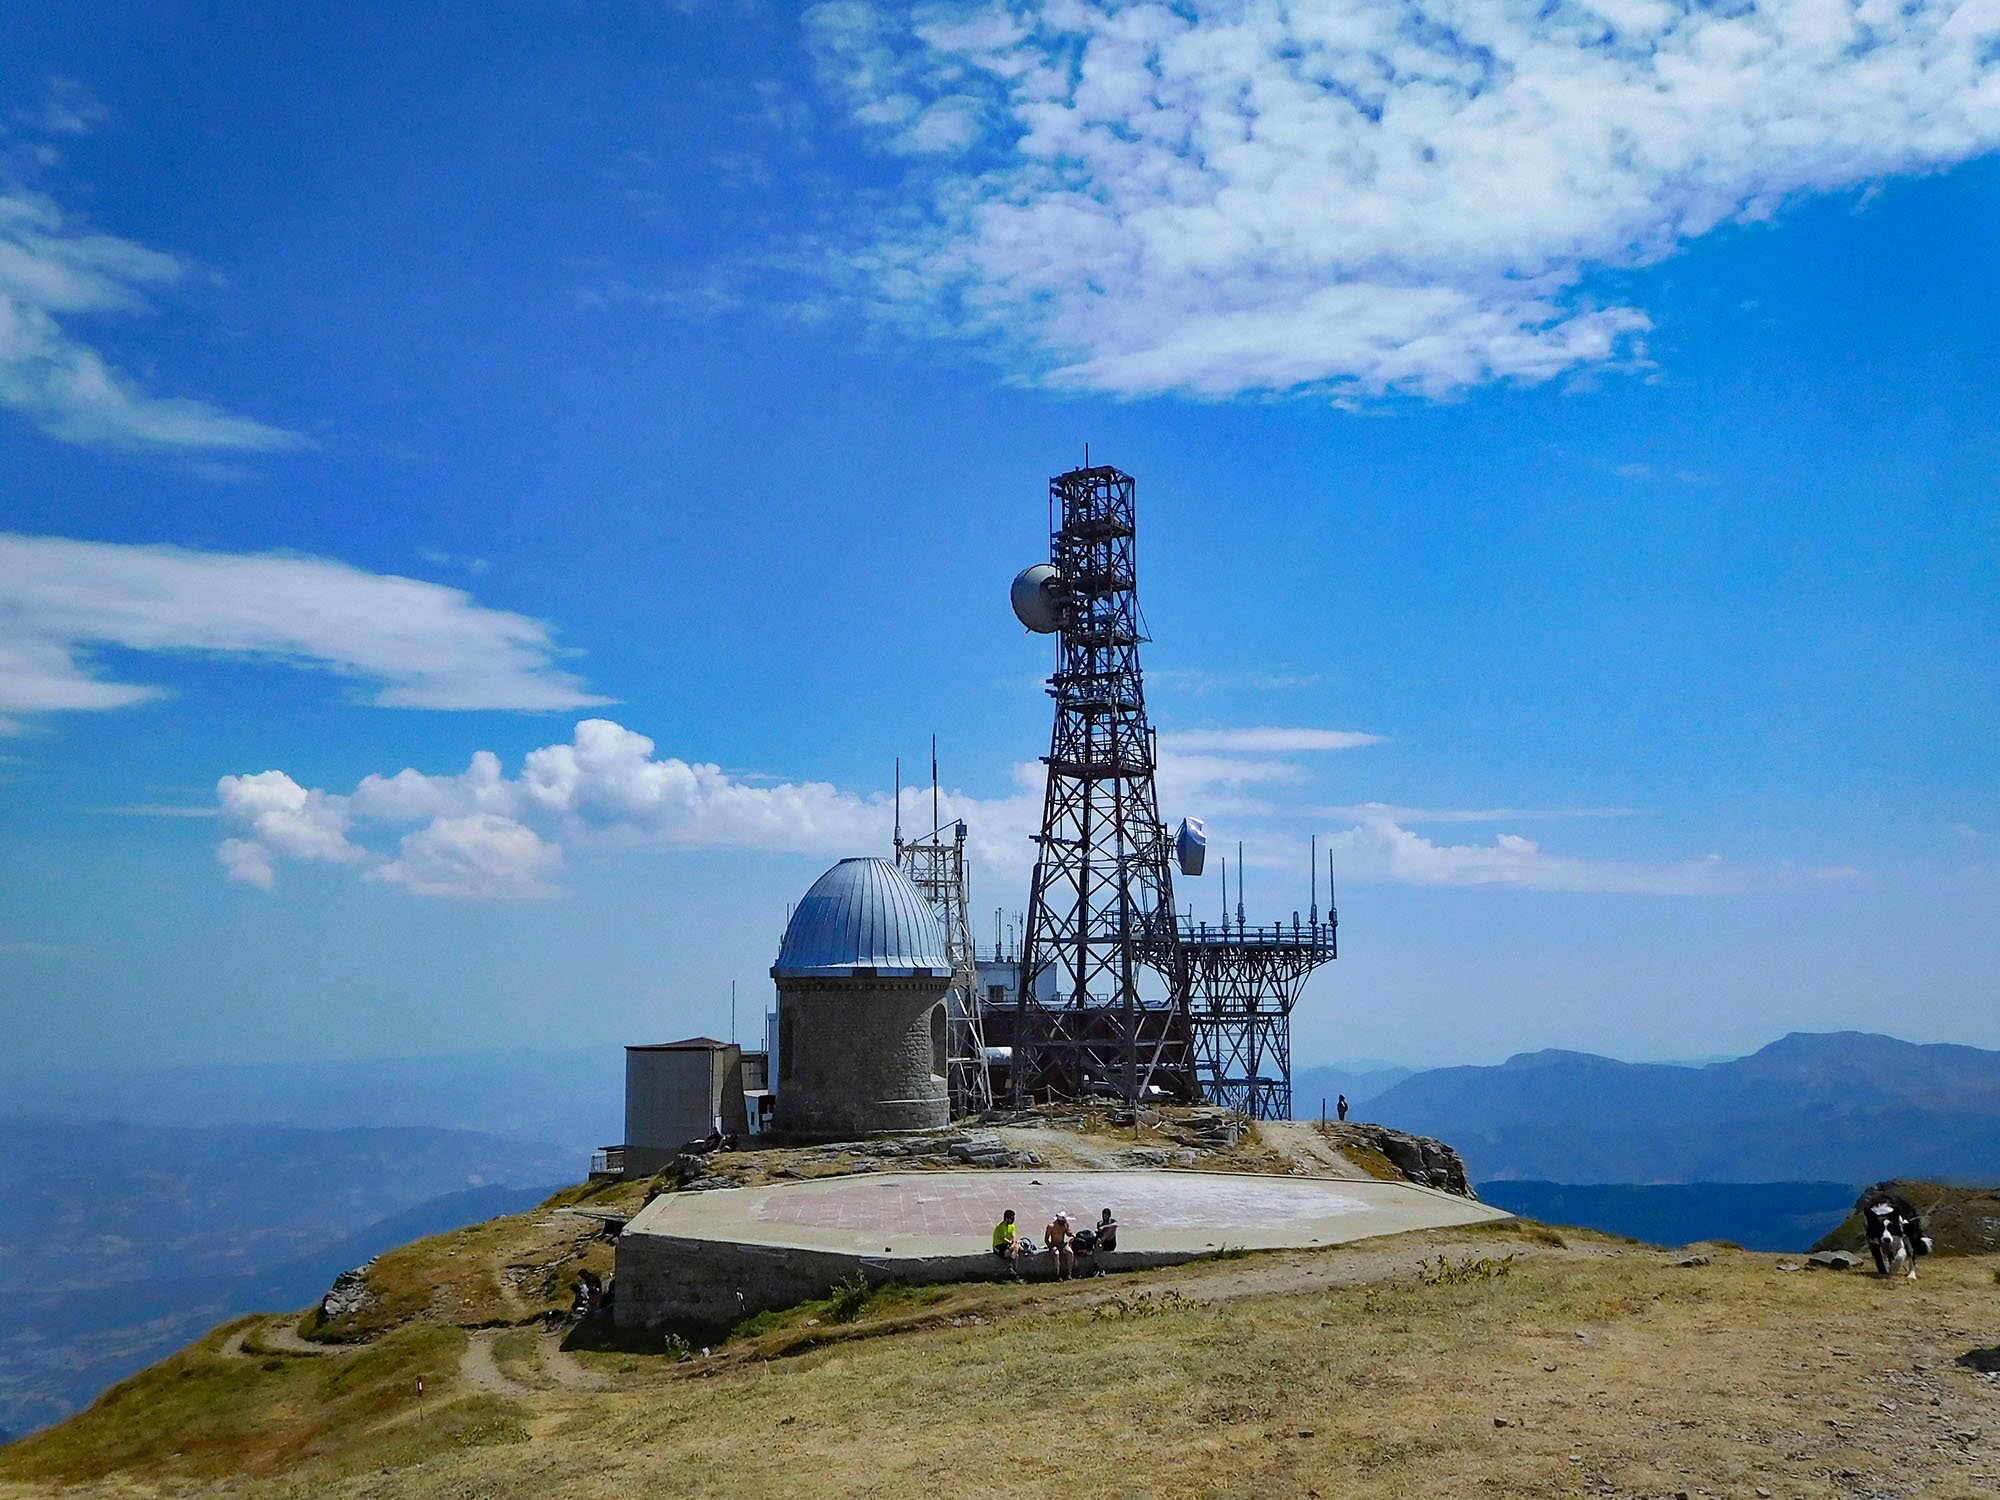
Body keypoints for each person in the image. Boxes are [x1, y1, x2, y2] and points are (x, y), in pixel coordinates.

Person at [1074, 1207, 1118, 1276]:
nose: (1104, 1217)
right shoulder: (1099, 1223)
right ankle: (1097, 1268)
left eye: (1105, 1216)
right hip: (1102, 1242)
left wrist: (1104, 1227)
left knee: (1111, 1230)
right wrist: (1098, 1231)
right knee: (1097, 1247)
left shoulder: (1112, 1221)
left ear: (1108, 1216)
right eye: (1103, 1215)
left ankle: (1101, 1242)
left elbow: (1115, 1225)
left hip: (1111, 1242)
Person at [992, 1209, 1023, 1279]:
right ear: (1006, 1219)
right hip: (999, 1247)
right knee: (1015, 1251)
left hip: (1008, 1245)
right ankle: (1011, 1268)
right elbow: (1004, 1240)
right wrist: (1013, 1244)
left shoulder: (1012, 1226)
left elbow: (1013, 1236)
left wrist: (1014, 1243)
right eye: (1011, 1218)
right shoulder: (999, 1227)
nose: (1013, 1220)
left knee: (1016, 1252)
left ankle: (1012, 1269)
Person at [1044, 1213, 1075, 1280]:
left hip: (1062, 1243)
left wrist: (1071, 1234)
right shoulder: (1051, 1226)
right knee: (1056, 1254)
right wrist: (1050, 1247)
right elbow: (1046, 1239)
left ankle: (1069, 1273)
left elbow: (1068, 1233)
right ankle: (1057, 1274)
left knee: (1070, 1253)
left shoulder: (1065, 1225)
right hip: (1054, 1244)